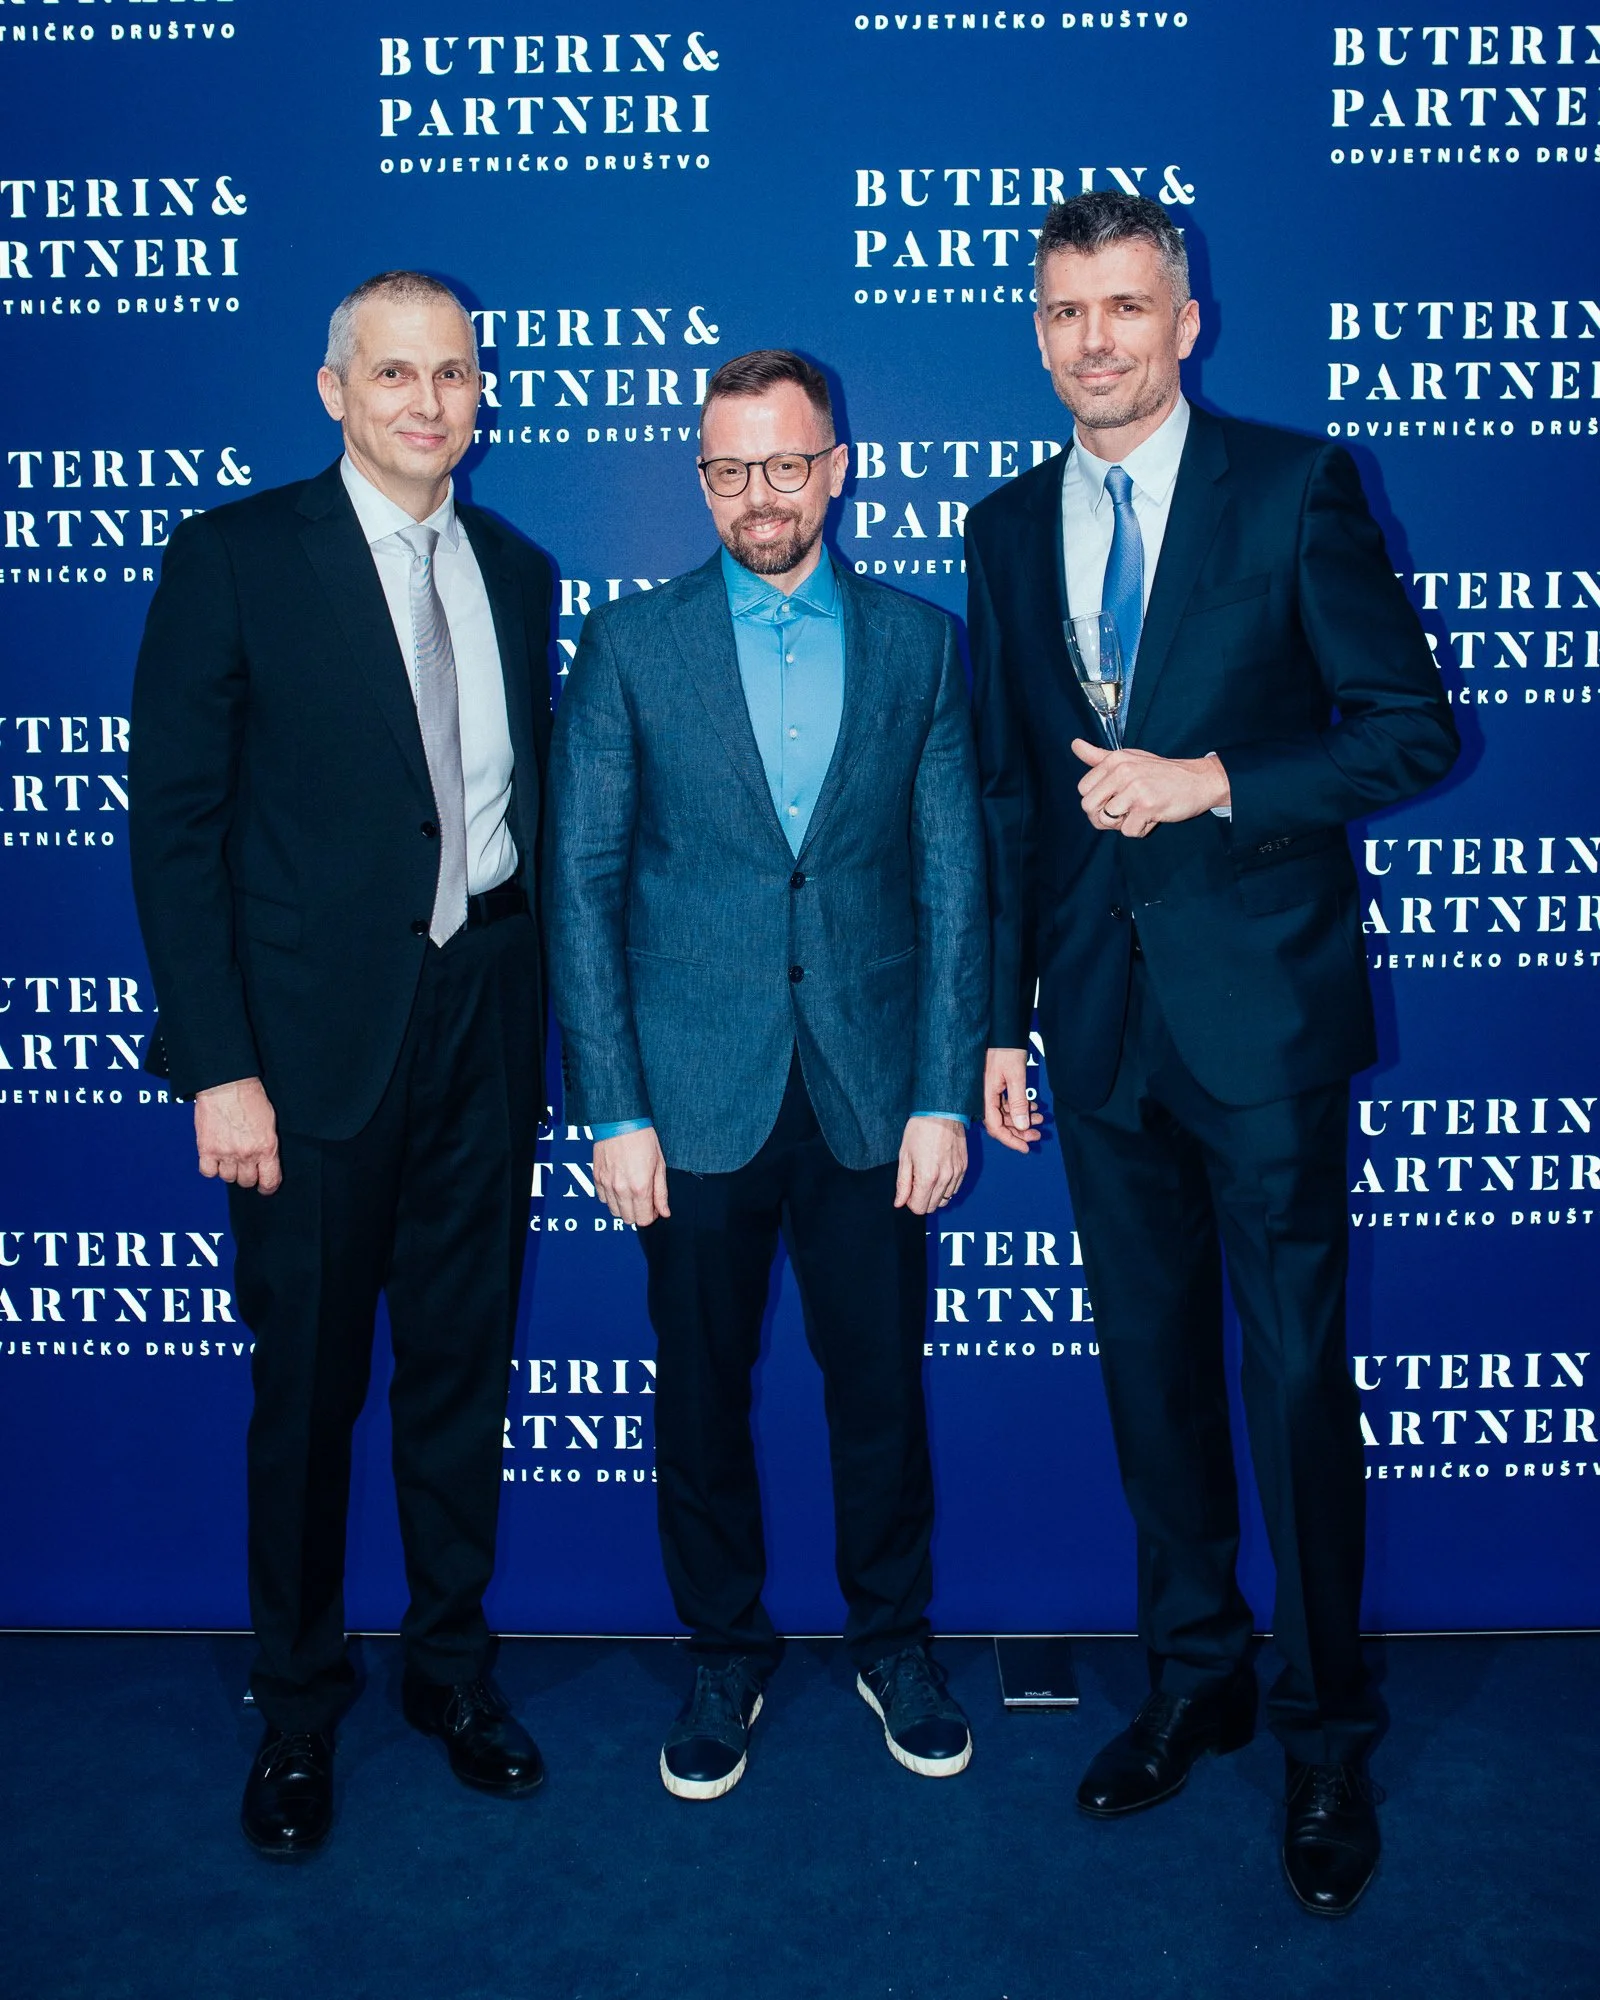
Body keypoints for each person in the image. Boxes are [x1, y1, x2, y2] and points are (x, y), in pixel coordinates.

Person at [965, 194, 1458, 1916]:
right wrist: (999, 1019)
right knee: (1152, 1375)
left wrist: (1216, 783)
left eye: (1125, 307)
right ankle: (1198, 1680)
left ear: (1187, 323)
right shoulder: (1005, 525)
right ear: (1040, 334)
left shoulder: (1294, 486)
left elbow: (1408, 732)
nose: (1094, 338)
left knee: (1296, 1382)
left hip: (1261, 1022)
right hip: (1096, 1026)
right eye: (1065, 311)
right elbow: (1010, 797)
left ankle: (1326, 1734)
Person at [129, 270, 554, 1855]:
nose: (427, 402)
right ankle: (299, 1706)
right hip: (304, 1055)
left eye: (452, 373)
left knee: (460, 1369)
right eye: (394, 373)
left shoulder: (515, 569)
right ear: (334, 391)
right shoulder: (236, 557)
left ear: (480, 393)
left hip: (483, 1018)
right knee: (307, 1391)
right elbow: (175, 831)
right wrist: (216, 1068)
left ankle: (451, 1672)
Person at [547, 349, 987, 1800]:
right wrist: (614, 1105)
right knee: (699, 1395)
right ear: (701, 479)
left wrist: (941, 1091)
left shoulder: (920, 644)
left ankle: (893, 1643)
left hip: (872, 1090)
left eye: (786, 464)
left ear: (836, 469)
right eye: (730, 468)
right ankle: (724, 1652)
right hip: (689, 1095)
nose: (760, 495)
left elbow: (953, 885)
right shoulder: (629, 646)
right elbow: (582, 887)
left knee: (881, 1392)